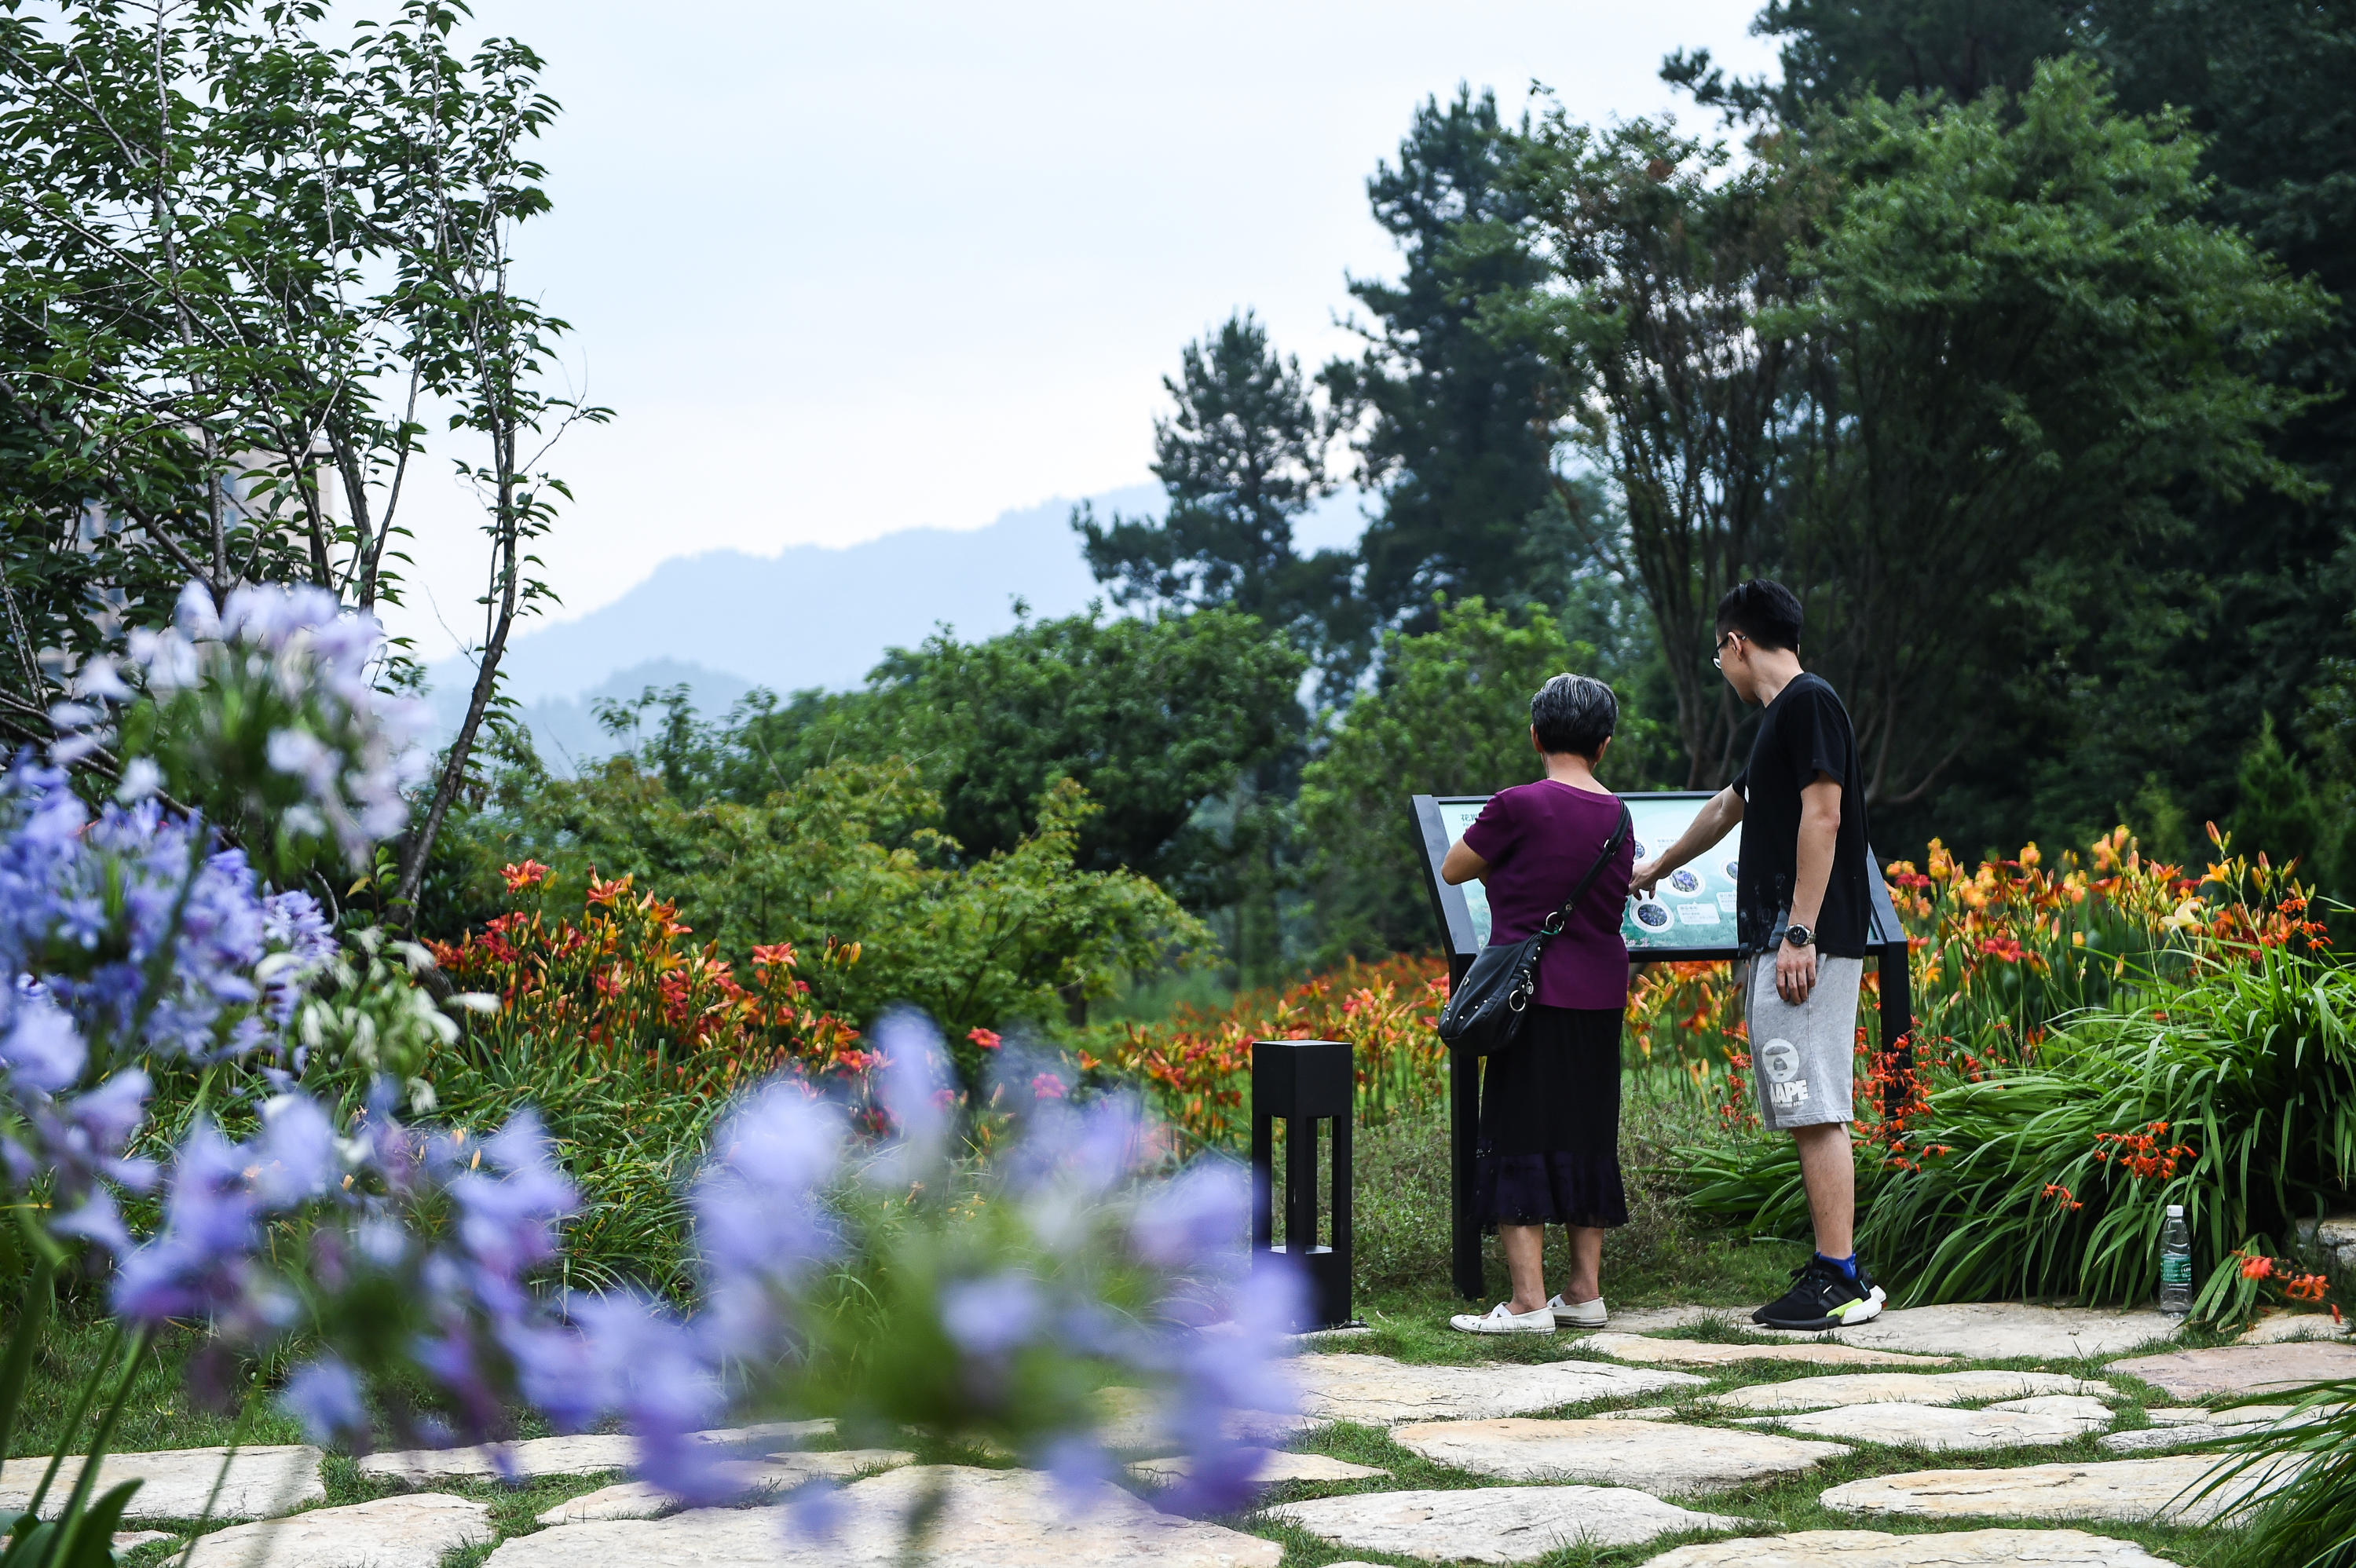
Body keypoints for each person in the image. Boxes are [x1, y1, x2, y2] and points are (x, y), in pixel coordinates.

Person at [1630, 579, 1886, 1330]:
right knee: (1805, 1100)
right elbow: (1728, 804)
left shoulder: (1808, 703)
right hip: (1791, 934)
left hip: (1806, 935)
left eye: (1720, 654)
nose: (1722, 667)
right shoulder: (1784, 717)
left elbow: (1825, 813)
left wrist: (1800, 930)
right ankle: (1836, 1266)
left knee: (1814, 1104)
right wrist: (1658, 865)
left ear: (1737, 642)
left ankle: (1837, 1275)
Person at [1438, 673, 1635, 1335]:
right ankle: (1584, 1291)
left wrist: (1511, 873)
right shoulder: (1619, 814)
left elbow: (1454, 866)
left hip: (1532, 995)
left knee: (1519, 1132)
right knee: (1586, 1133)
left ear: (1535, 735)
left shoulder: (1516, 804)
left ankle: (1527, 1301)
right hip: (1601, 993)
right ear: (1604, 745)